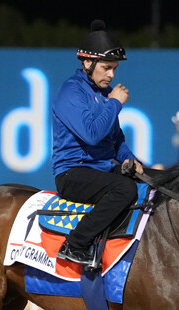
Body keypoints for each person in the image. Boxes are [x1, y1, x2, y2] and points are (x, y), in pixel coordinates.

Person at [50, 19, 144, 266]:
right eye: (106, 68)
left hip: (100, 170)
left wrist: (128, 158)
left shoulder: (104, 94)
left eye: (114, 69)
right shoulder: (71, 92)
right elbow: (92, 134)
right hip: (73, 173)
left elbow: (116, 140)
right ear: (88, 63)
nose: (111, 74)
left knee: (151, 182)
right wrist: (115, 103)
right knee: (124, 189)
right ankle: (75, 244)